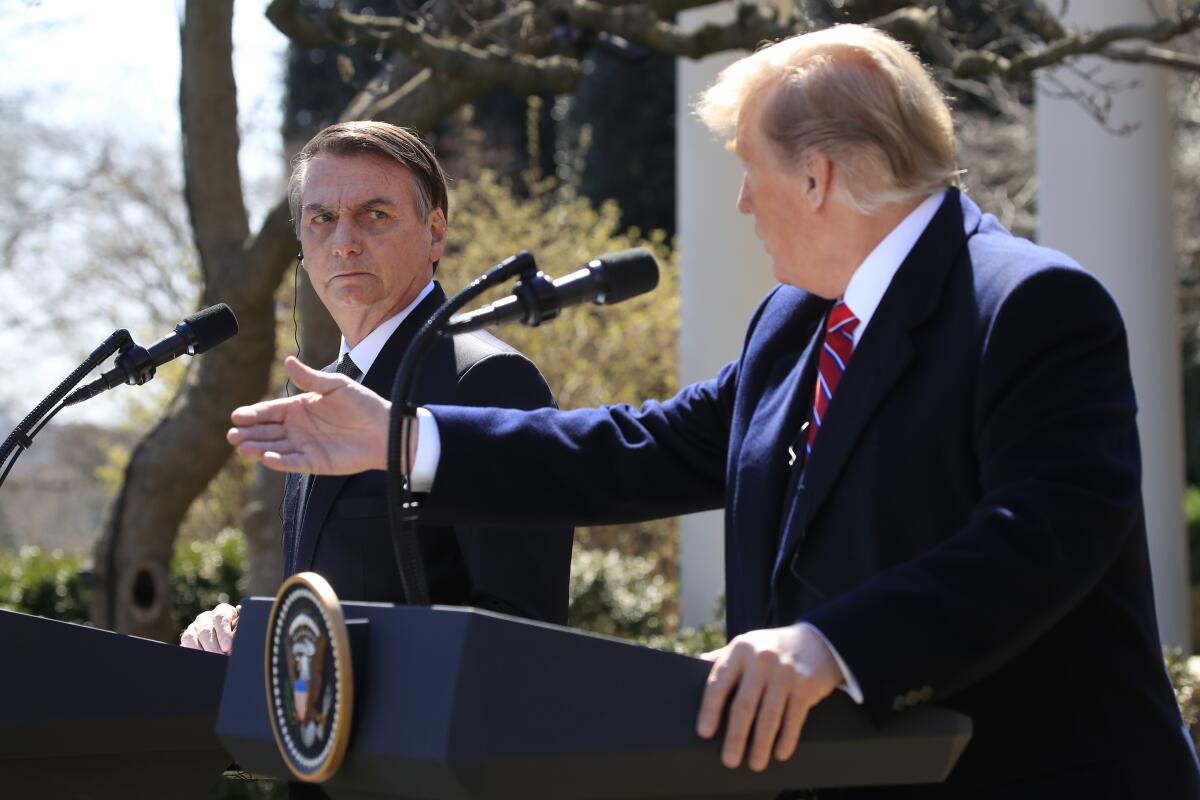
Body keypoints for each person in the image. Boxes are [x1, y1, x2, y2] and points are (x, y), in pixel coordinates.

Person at [225, 26, 1200, 798]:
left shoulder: (1029, 304)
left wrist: (833, 645)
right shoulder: (794, 323)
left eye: (751, 168)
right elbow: (646, 447)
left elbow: (1043, 536)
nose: (739, 201)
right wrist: (406, 438)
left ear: (816, 177)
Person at [182, 122, 572, 655]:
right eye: (322, 219)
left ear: (435, 233)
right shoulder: (320, 394)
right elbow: (349, 594)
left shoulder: (488, 381)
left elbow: (521, 628)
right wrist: (253, 631)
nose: (343, 242)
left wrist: (310, 650)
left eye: (375, 215)